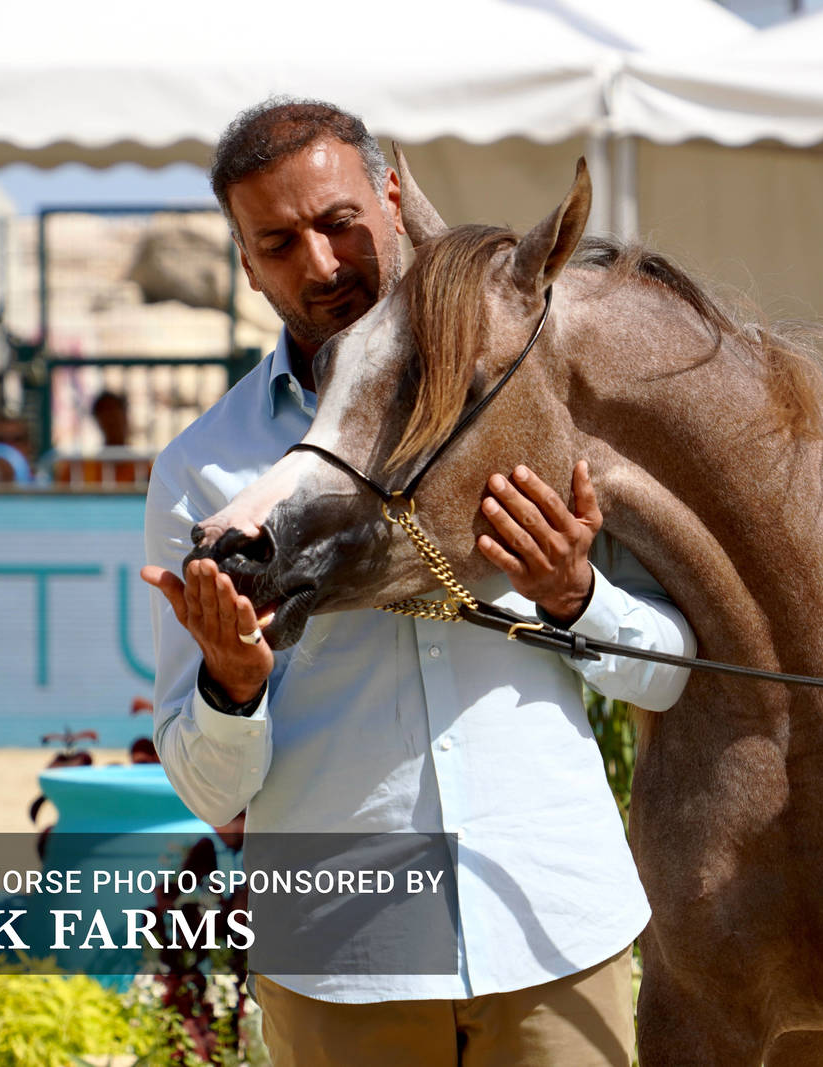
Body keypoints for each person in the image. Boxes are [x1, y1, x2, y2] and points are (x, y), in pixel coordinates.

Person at [139, 98, 694, 1067]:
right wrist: (233, 684)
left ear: (392, 197)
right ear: (242, 261)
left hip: (550, 926)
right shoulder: (209, 470)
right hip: (339, 956)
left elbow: (665, 673)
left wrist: (573, 594)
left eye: (336, 222)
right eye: (276, 242)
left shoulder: (533, 400)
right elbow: (202, 780)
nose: (318, 265)